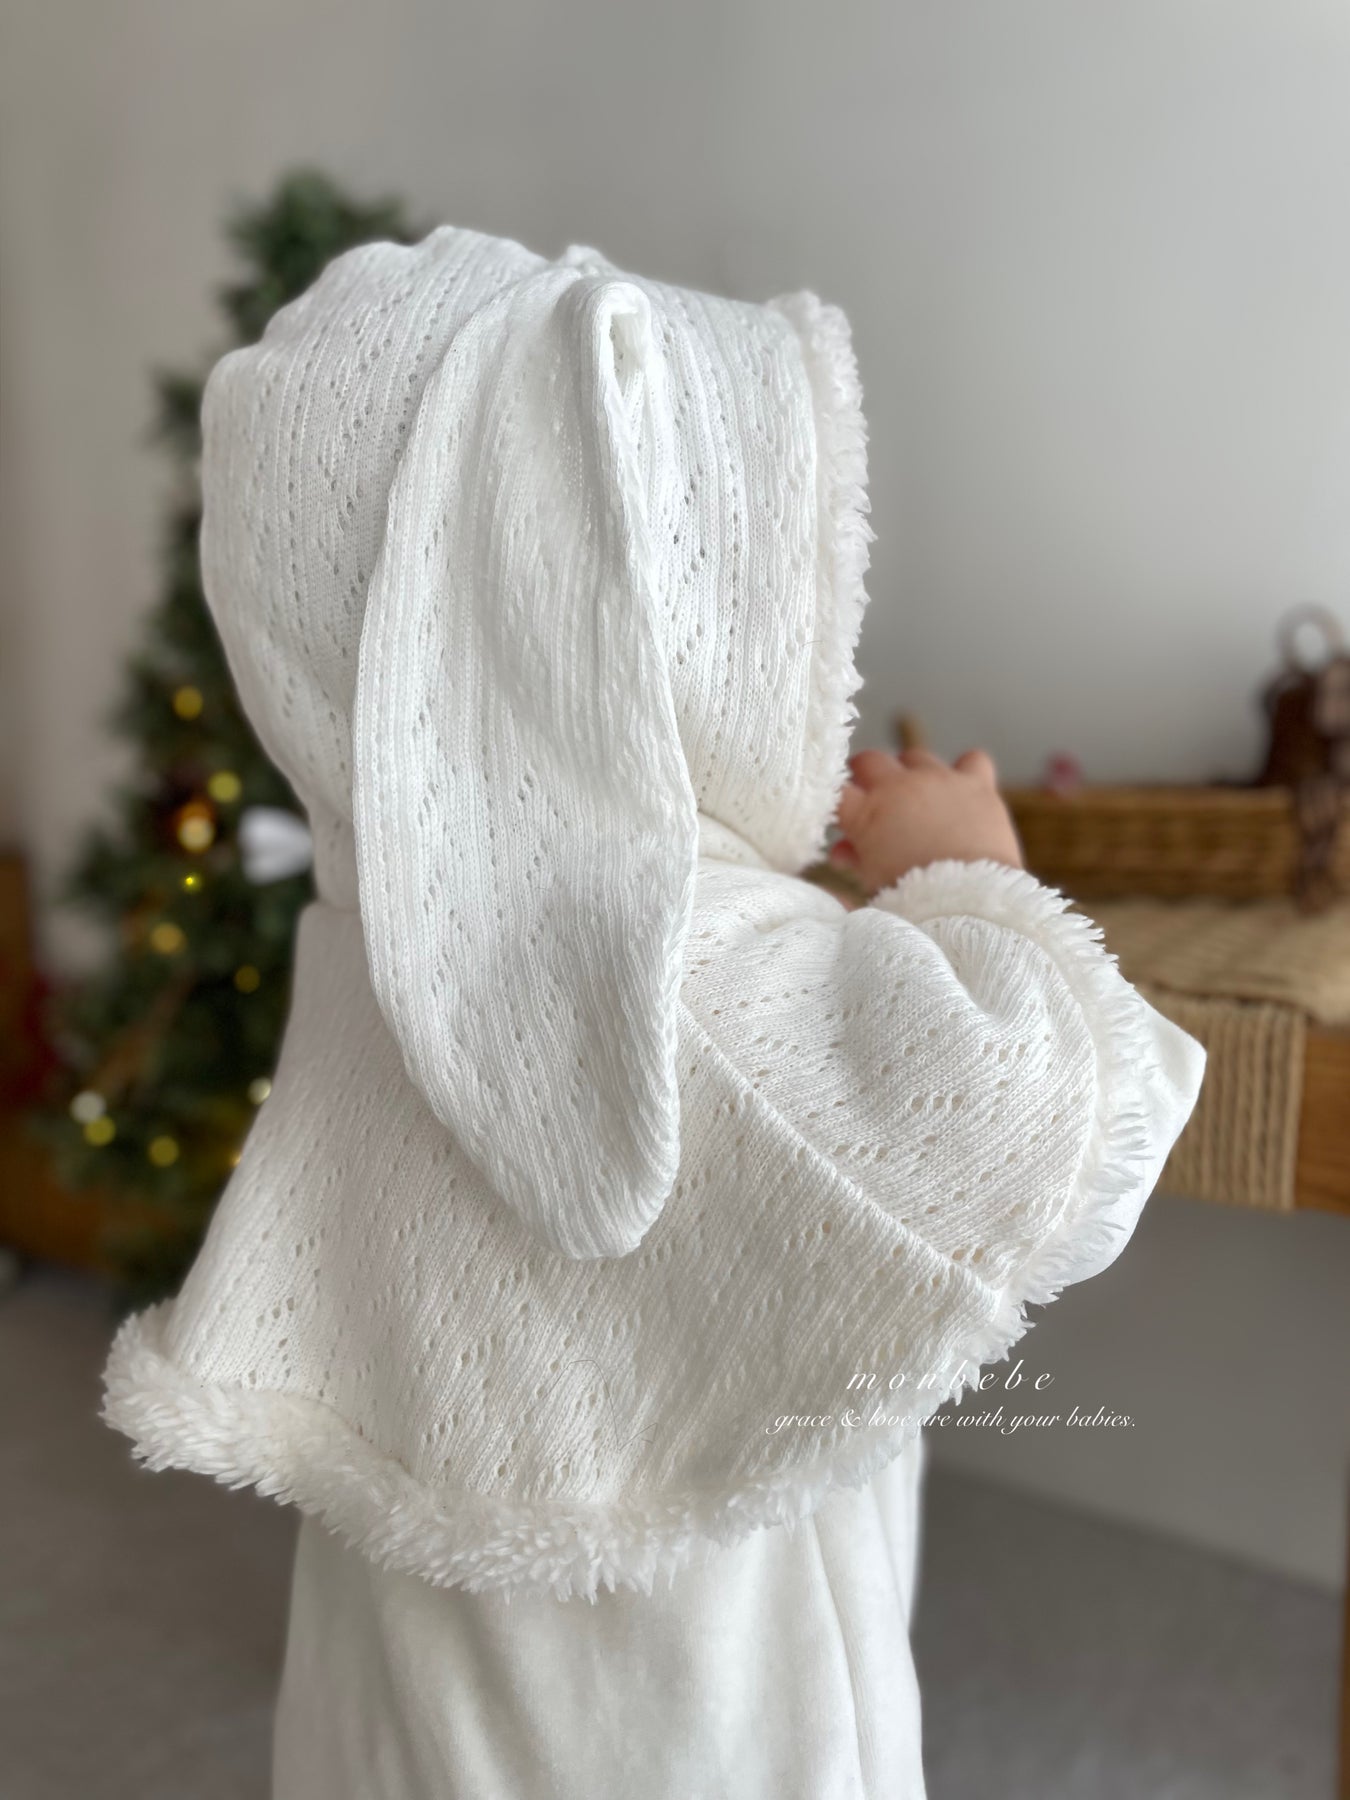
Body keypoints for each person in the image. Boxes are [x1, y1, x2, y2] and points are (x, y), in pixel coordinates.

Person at [102, 225, 1204, 1799]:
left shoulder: (381, 927)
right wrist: (968, 883)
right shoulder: (685, 959)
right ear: (586, 607)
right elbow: (1059, 1136)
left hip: (412, 1714)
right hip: (706, 1723)